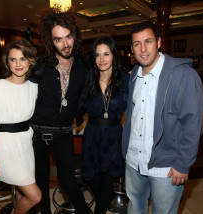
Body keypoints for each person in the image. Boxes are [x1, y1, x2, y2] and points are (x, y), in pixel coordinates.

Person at [122, 21, 203, 214]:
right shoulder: (134, 74)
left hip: (166, 168)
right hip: (134, 161)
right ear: (132, 48)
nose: (143, 49)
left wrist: (183, 164)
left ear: (158, 42)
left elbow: (193, 124)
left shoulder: (183, 75)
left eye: (148, 41)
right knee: (135, 208)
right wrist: (126, 153)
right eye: (137, 44)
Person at [29, 8, 91, 214]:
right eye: (58, 39)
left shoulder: (83, 67)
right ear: (50, 41)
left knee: (69, 183)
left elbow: (91, 90)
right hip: (37, 134)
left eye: (68, 37)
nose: (65, 44)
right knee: (41, 183)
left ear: (75, 35)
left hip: (64, 132)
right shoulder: (39, 66)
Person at [0, 39, 41, 214]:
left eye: (22, 59)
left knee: (20, 192)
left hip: (25, 145)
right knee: (35, 196)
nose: (18, 64)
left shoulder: (33, 87)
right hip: (4, 146)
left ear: (30, 61)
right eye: (13, 59)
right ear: (7, 62)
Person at [81, 37, 129, 214]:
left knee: (108, 179)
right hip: (92, 135)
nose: (102, 59)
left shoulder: (125, 80)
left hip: (114, 136)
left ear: (114, 55)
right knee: (93, 179)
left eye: (106, 54)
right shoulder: (88, 79)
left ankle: (99, 210)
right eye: (97, 55)